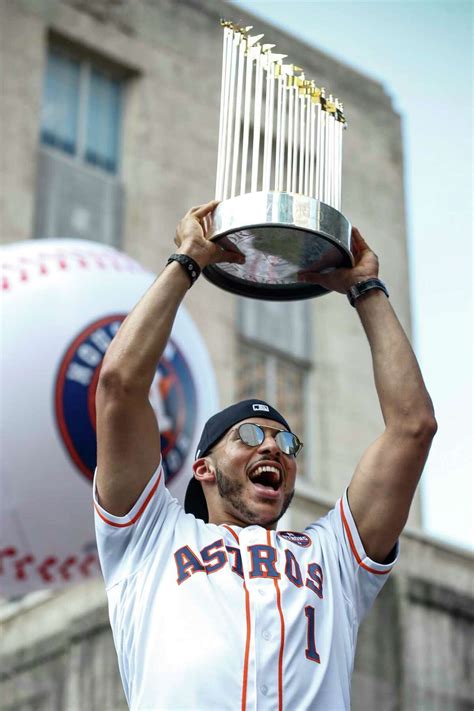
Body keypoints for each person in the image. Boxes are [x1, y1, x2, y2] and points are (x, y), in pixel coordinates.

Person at [93, 200, 437, 710]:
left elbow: (413, 426)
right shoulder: (150, 538)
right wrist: (189, 260)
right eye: (251, 435)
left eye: (286, 440)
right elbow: (120, 386)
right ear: (203, 468)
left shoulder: (332, 557)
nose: (274, 445)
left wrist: (366, 288)